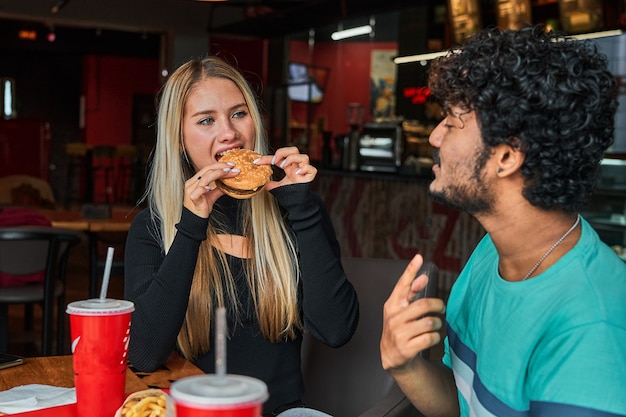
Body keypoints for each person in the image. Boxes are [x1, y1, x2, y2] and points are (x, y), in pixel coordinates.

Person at [380, 26, 626, 417]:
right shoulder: (490, 253)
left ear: (507, 158)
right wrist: (405, 366)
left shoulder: (591, 328)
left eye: (451, 121)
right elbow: (463, 407)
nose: (434, 137)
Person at [124, 56, 359, 416]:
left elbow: (336, 330)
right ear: (179, 139)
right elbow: (143, 354)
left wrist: (301, 207)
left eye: (238, 113)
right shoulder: (152, 227)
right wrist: (191, 226)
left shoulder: (294, 212)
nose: (229, 132)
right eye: (206, 120)